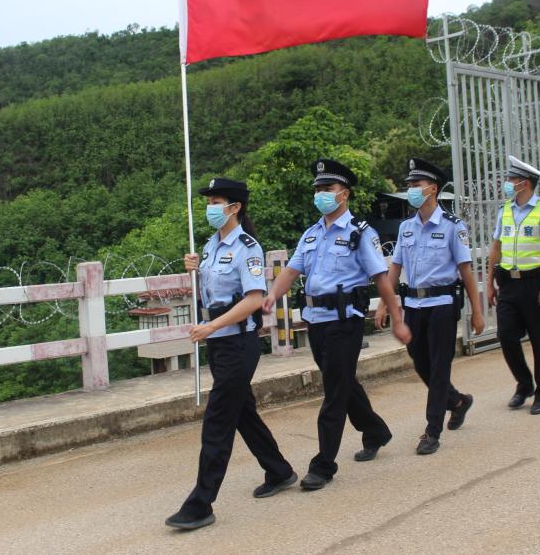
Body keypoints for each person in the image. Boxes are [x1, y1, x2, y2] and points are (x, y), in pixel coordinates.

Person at [262, 159, 409, 491]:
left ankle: (323, 465)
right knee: (341, 383)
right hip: (316, 321)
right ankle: (375, 431)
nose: (321, 194)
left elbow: (381, 279)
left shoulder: (360, 233)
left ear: (345, 193)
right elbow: (291, 271)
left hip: (345, 322)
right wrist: (271, 295)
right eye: (318, 189)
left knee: (334, 393)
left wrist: (396, 318)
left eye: (327, 188)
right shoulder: (311, 233)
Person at [165, 178, 296, 531]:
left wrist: (211, 326)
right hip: (219, 343)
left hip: (239, 343)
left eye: (216, 202)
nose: (210, 208)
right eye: (209, 202)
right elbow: (210, 295)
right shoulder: (210, 246)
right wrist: (194, 270)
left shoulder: (247, 248)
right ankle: (279, 470)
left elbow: (253, 299)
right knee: (242, 413)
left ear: (234, 207)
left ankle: (200, 503)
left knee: (218, 420)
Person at [375, 158, 485, 454]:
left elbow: (466, 270)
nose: (411, 189)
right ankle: (458, 402)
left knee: (438, 368)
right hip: (413, 305)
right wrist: (386, 304)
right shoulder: (406, 227)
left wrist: (476, 311)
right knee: (420, 362)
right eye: (409, 184)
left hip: (441, 305)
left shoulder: (452, 226)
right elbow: (395, 266)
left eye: (416, 184)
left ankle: (432, 431)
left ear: (433, 188)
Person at [486, 156, 540, 415]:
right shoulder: (505, 210)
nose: (507, 183)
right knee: (506, 335)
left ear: (525, 183)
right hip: (509, 284)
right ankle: (524, 383)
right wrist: (489, 281)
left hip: (536, 283)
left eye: (511, 179)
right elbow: (496, 247)